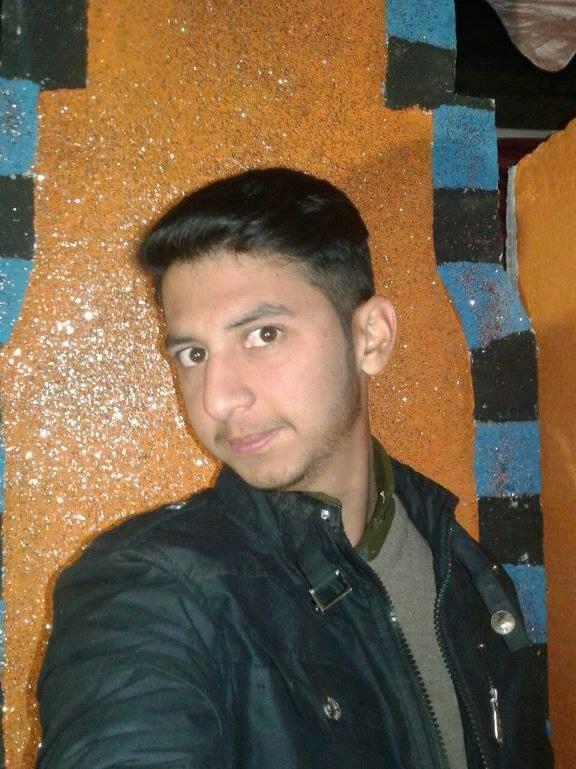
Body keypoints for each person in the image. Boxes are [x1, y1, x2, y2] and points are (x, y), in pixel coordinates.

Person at [36, 168, 552, 769]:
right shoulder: (149, 590)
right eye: (194, 354)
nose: (217, 398)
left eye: (264, 334)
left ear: (370, 338)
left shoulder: (464, 568)